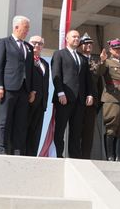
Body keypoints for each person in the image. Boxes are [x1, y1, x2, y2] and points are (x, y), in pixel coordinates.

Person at [0, 15, 37, 155]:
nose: (27, 31)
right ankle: (3, 149)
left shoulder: (29, 47)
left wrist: (32, 90)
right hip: (8, 88)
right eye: (25, 28)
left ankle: (17, 150)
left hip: (24, 90)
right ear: (16, 27)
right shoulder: (4, 42)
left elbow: (31, 70)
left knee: (20, 123)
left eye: (28, 29)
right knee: (4, 121)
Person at [50, 29, 95, 158]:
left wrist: (90, 94)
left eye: (78, 37)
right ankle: (59, 154)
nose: (76, 39)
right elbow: (56, 74)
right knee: (60, 128)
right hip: (64, 98)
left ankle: (74, 156)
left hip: (80, 100)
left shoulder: (83, 58)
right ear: (67, 39)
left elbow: (88, 80)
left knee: (76, 130)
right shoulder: (59, 54)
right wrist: (60, 93)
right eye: (73, 37)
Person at [95, 39, 120, 161]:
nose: (119, 51)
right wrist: (101, 60)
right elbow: (98, 72)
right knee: (111, 127)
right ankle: (110, 156)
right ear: (111, 50)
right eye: (116, 48)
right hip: (113, 98)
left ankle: (118, 156)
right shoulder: (106, 62)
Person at [25, 36, 50, 157]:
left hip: (41, 103)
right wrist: (31, 91)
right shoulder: (26, 59)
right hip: (29, 101)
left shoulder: (44, 63)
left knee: (36, 132)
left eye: (40, 43)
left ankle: (32, 155)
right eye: (34, 43)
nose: (37, 45)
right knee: (25, 129)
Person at [79, 34, 102, 159]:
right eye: (85, 43)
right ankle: (76, 156)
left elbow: (99, 83)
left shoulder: (96, 61)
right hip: (78, 100)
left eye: (90, 44)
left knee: (89, 132)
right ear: (80, 45)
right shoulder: (77, 58)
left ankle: (85, 157)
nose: (88, 46)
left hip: (92, 101)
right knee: (77, 130)